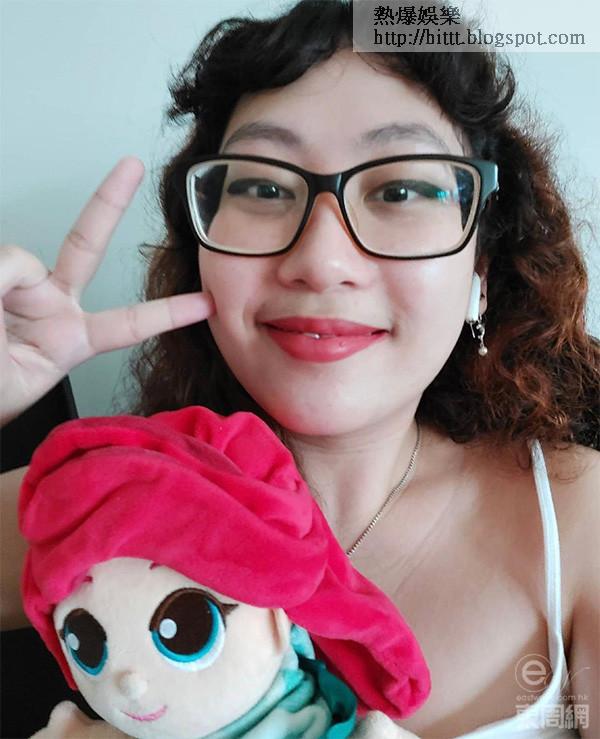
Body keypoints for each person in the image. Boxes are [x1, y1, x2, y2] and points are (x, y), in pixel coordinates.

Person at [1, 0, 598, 737]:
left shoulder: (579, 521)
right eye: (262, 188)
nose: (321, 260)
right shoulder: (107, 496)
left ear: (480, 266)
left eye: (400, 190)